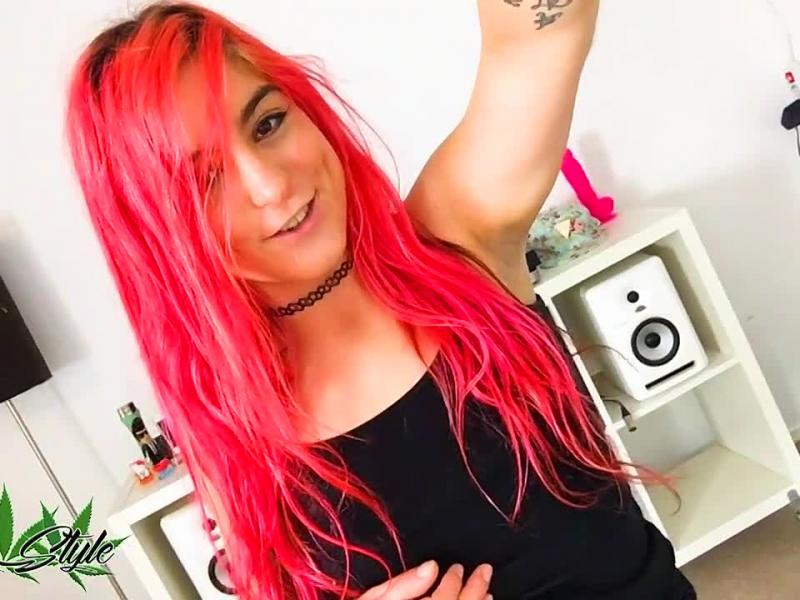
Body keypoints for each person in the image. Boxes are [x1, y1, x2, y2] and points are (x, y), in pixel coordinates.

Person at [64, 1, 696, 598]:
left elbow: (538, 40)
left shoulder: (457, 237)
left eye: (268, 123)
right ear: (155, 229)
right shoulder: (232, 427)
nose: (270, 185)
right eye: (204, 179)